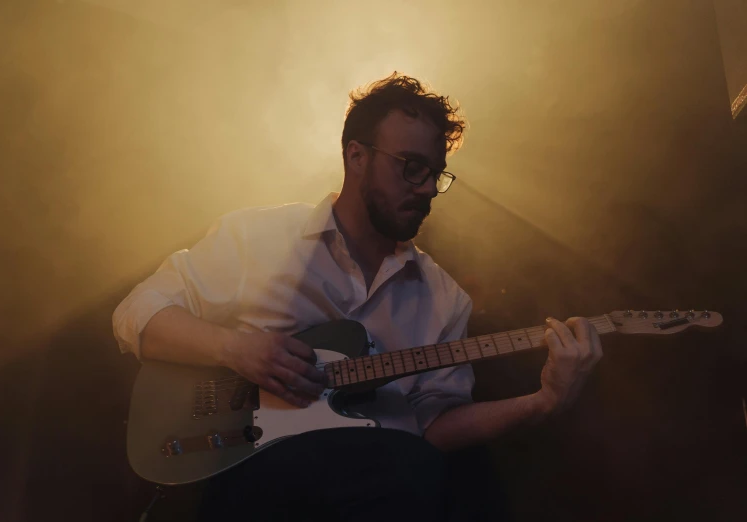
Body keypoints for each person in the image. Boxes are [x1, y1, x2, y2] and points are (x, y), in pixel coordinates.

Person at [112, 73, 603, 521]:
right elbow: (138, 313)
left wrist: (543, 403)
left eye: (437, 173)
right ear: (356, 156)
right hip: (235, 469)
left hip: (374, 491)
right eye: (412, 167)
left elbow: (433, 429)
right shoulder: (258, 236)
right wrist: (236, 349)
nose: (429, 188)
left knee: (431, 470)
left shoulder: (445, 300)